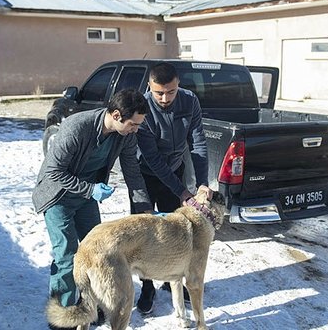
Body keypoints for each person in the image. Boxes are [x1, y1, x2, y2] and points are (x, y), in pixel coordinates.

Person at [32, 88, 152, 330]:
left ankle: (89, 305)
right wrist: (90, 190)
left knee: (98, 253)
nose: (135, 129)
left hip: (85, 195)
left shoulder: (125, 135)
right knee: (67, 256)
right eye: (133, 123)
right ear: (116, 115)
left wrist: (145, 212)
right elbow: (54, 172)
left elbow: (133, 173)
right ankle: (63, 317)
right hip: (58, 196)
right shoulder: (77, 127)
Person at [133, 62, 213, 314]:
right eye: (159, 93)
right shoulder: (142, 108)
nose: (165, 98)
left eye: (171, 91)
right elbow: (154, 160)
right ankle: (147, 288)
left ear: (178, 85)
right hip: (145, 176)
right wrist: (182, 191)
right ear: (150, 87)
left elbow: (198, 142)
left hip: (175, 171)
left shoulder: (189, 101)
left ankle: (173, 280)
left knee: (174, 232)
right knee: (143, 233)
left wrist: (202, 182)